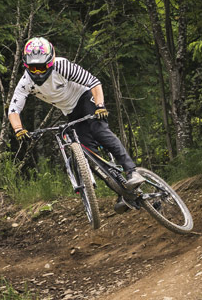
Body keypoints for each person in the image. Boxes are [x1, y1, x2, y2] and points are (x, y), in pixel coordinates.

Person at [8, 37, 146, 211]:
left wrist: (100, 105)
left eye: (42, 67)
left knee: (100, 131)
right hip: (70, 112)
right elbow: (13, 109)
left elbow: (93, 81)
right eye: (33, 68)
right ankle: (123, 193)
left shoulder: (62, 66)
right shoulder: (25, 82)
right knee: (90, 155)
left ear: (50, 62)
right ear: (26, 65)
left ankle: (131, 171)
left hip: (86, 98)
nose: (37, 72)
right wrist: (18, 129)